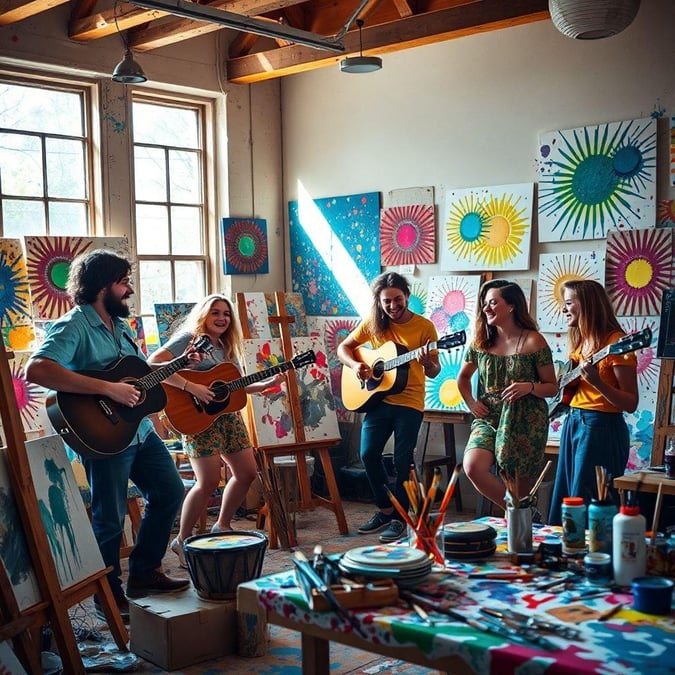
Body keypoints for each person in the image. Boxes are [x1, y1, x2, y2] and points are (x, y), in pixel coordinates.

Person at [25, 250, 191, 623]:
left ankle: (145, 573)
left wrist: (181, 364)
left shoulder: (122, 326)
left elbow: (138, 370)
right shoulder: (74, 325)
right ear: (103, 286)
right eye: (123, 282)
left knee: (169, 491)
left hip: (140, 430)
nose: (129, 289)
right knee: (110, 519)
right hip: (104, 435)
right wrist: (108, 389)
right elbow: (37, 369)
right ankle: (108, 594)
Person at [148, 294, 283, 568]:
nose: (222, 318)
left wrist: (265, 384)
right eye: (215, 313)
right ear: (204, 316)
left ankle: (221, 525)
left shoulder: (225, 345)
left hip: (227, 417)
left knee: (246, 473)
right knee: (208, 482)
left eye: (226, 313)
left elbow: (229, 386)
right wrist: (191, 387)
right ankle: (182, 541)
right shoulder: (189, 339)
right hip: (195, 418)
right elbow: (152, 364)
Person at [337, 272, 440, 543]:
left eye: (397, 299)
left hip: (410, 401)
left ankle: (400, 518)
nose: (393, 306)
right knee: (368, 454)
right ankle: (385, 509)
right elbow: (344, 348)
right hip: (378, 400)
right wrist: (356, 365)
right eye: (386, 302)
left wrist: (426, 362)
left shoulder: (424, 327)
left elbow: (434, 371)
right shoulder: (374, 323)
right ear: (379, 302)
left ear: (407, 296)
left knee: (402, 460)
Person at [457, 279, 558, 515]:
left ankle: (519, 526)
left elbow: (552, 387)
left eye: (493, 302)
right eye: (484, 304)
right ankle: (524, 512)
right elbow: (462, 379)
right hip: (489, 418)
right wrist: (471, 403)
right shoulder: (480, 342)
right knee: (473, 467)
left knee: (517, 487)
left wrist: (529, 387)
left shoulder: (534, 341)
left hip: (525, 421)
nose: (486, 308)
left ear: (511, 306)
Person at [549, 280, 638, 525]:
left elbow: (630, 403)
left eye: (568, 303)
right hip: (574, 422)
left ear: (587, 305)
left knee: (587, 499)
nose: (564, 310)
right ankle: (564, 554)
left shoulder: (617, 343)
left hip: (600, 427)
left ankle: (590, 557)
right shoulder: (581, 341)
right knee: (567, 496)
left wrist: (598, 383)